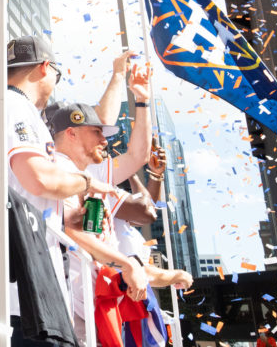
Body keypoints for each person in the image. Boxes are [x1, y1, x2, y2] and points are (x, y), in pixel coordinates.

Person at [0, 35, 118, 347]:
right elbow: (38, 179)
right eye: (57, 73)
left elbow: (29, 189)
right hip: (20, 290)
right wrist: (88, 182)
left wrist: (74, 213)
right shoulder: (12, 104)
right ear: (44, 67)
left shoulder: (9, 105)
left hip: (30, 281)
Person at [46, 90, 193, 344]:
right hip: (69, 309)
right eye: (97, 132)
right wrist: (128, 265)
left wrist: (143, 100)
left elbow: (138, 157)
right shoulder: (57, 170)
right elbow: (72, 232)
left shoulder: (92, 176)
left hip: (94, 307)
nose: (104, 141)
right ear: (72, 133)